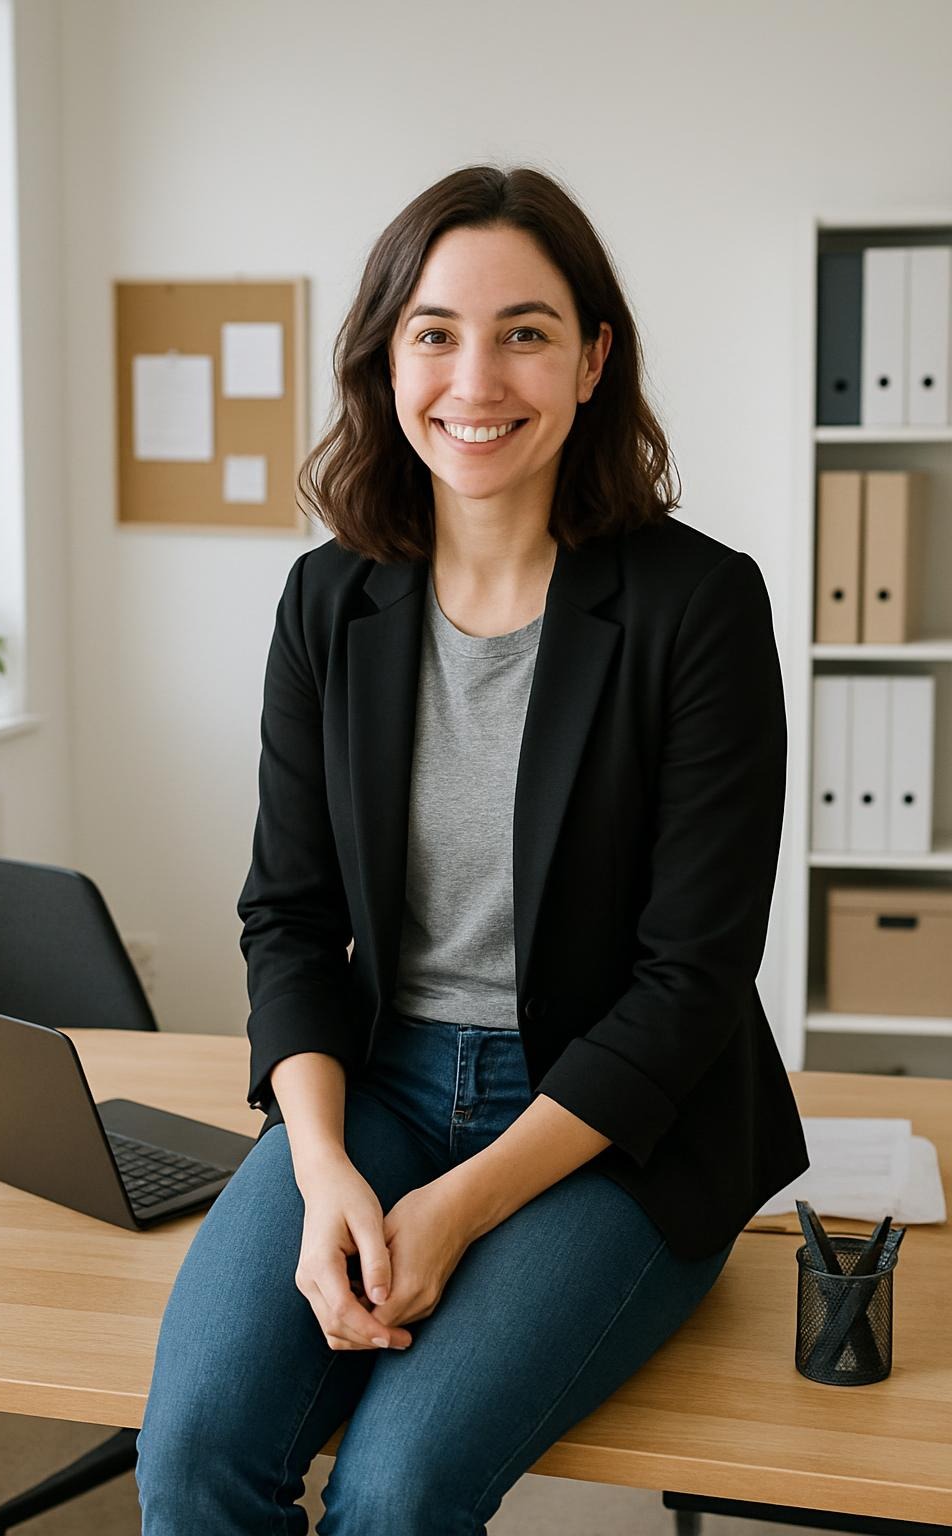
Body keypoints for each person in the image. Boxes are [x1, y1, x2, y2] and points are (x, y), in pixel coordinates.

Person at [135, 163, 809, 1535]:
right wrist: (324, 1172)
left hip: (610, 1125)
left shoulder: (699, 606)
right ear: (389, 355)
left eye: (526, 330)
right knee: (193, 1453)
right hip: (374, 1088)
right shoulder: (330, 602)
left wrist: (452, 1209)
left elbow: (689, 983)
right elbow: (289, 918)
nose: (475, 377)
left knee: (400, 1490)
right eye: (435, 330)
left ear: (592, 356)